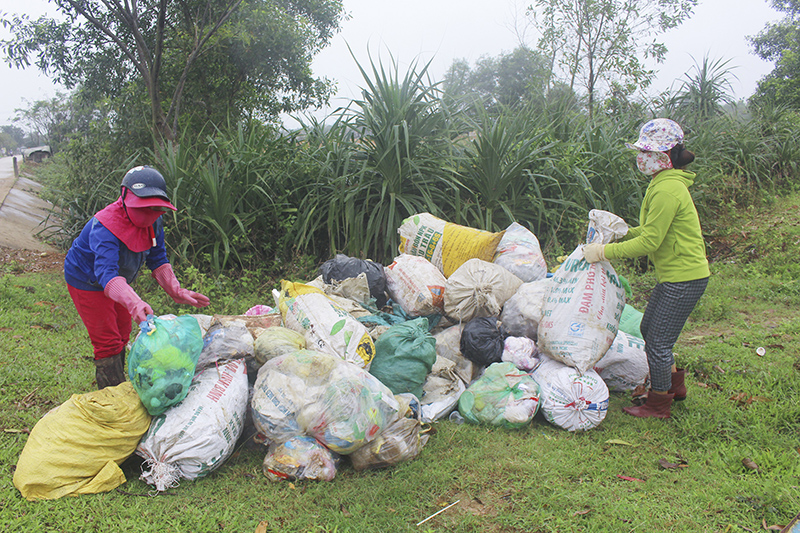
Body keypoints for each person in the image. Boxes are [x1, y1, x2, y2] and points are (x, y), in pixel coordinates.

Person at [583, 118, 710, 419]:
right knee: (648, 329)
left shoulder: (667, 190)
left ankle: (658, 404)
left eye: (647, 152)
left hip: (684, 277)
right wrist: (624, 232)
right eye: (641, 151)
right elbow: (653, 230)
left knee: (658, 342)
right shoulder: (663, 183)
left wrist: (602, 251)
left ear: (665, 157)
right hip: (677, 275)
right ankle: (675, 387)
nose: (641, 158)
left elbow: (651, 242)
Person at [64, 165, 210, 389]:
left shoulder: (155, 221)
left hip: (119, 281)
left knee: (124, 333)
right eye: (143, 208)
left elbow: (158, 258)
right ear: (124, 198)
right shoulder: (104, 226)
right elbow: (106, 273)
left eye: (155, 209)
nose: (149, 215)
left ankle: (120, 382)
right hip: (87, 281)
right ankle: (112, 395)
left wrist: (176, 291)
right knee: (108, 341)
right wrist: (135, 303)